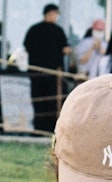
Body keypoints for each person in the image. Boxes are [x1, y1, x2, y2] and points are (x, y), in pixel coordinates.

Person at [24, 4, 72, 133]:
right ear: (50, 14)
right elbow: (66, 49)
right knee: (50, 101)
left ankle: (39, 127)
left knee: (39, 101)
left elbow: (27, 48)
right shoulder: (57, 31)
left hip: (37, 72)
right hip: (52, 73)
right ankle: (50, 128)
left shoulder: (34, 30)